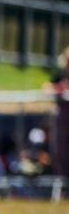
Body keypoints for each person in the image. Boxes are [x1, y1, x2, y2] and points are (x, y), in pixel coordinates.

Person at [44, 46, 69, 177]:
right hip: (62, 116)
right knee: (59, 150)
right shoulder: (60, 74)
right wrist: (60, 90)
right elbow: (47, 88)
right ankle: (63, 180)